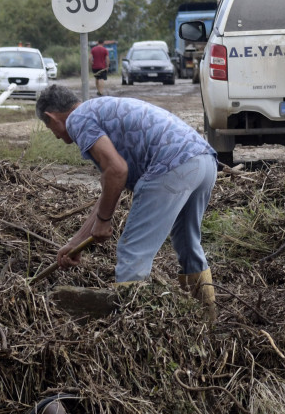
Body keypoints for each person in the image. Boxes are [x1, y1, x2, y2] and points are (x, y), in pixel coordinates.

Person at [35, 84, 219, 324]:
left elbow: (116, 170)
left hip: (171, 166)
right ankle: (207, 322)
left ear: (51, 117)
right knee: (187, 244)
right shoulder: (99, 109)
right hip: (203, 161)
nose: (58, 137)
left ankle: (135, 333)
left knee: (133, 254)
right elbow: (111, 184)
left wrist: (104, 222)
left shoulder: (77, 120)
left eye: (52, 130)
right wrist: (77, 241)